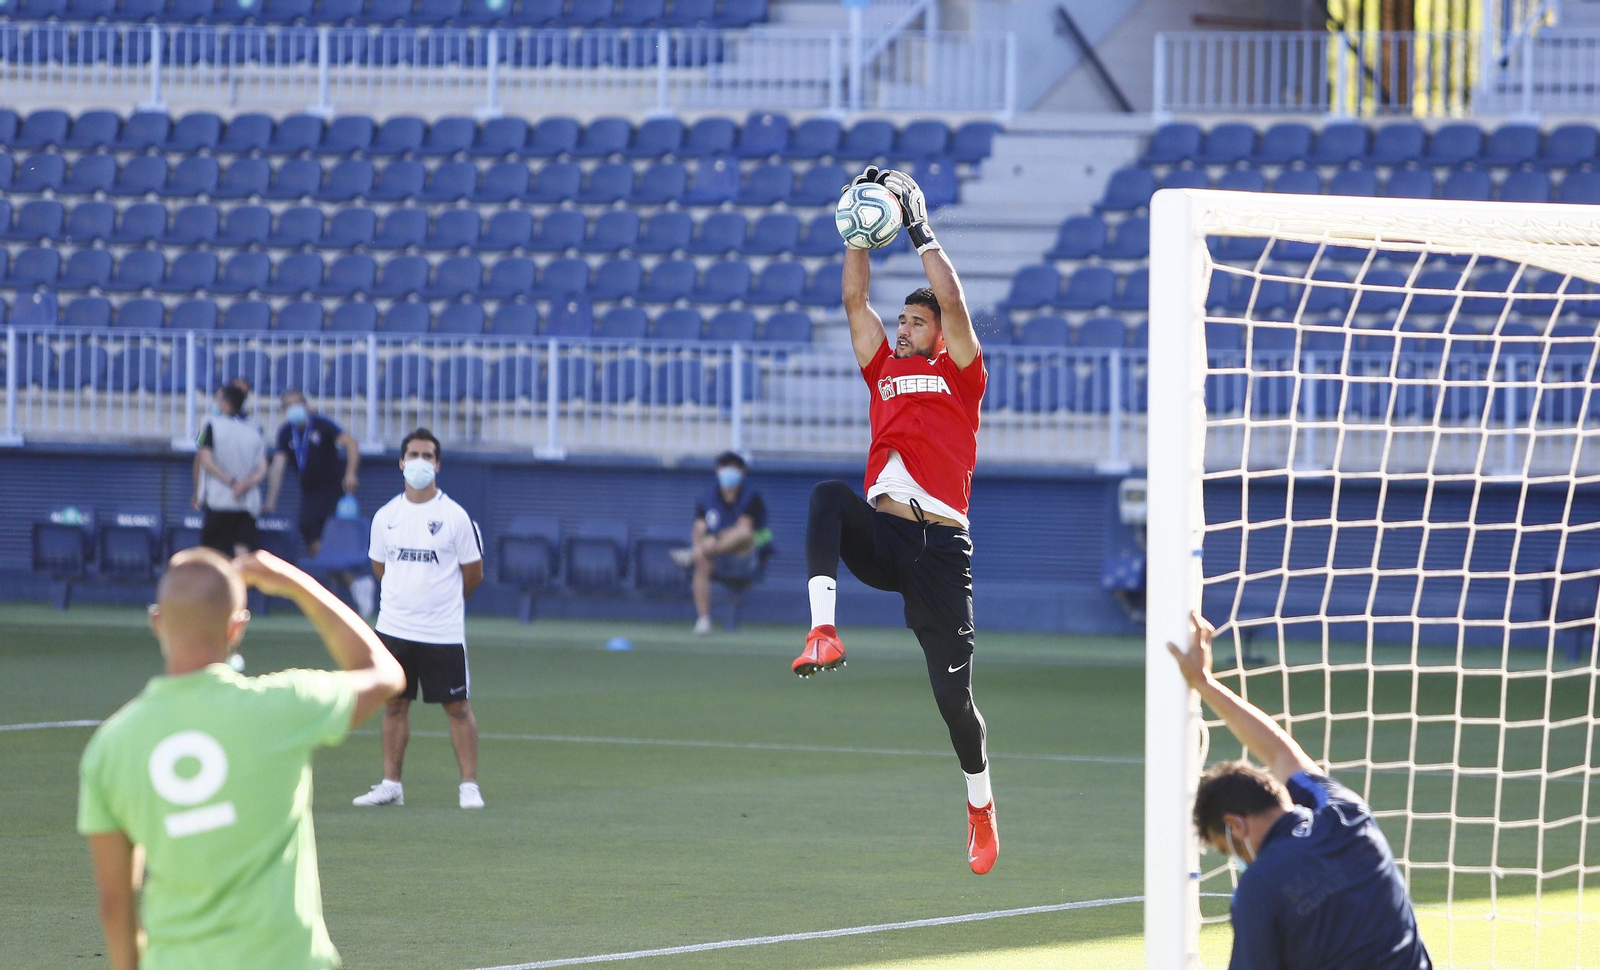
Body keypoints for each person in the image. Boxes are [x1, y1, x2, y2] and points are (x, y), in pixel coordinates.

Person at [796, 166, 998, 875]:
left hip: (940, 551)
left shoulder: (962, 373)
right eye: (903, 319)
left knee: (954, 702)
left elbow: (952, 297)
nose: (904, 326)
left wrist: (915, 224)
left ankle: (979, 806)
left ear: (940, 333)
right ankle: (823, 630)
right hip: (883, 537)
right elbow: (855, 296)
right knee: (826, 497)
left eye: (916, 320)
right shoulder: (881, 367)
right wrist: (857, 230)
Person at [77, 547, 405, 970]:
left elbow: (115, 903)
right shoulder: (282, 705)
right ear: (237, 628)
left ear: (157, 622)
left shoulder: (111, 745)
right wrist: (293, 583)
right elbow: (385, 672)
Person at [1167, 612, 1432, 970]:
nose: (1238, 858)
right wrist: (1204, 683)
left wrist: (1200, 681)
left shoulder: (1260, 886)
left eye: (1225, 846)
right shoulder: (1348, 814)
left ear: (1235, 824)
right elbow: (1279, 752)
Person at [354, 428, 486, 810]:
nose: (420, 462)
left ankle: (468, 787)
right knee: (395, 705)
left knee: (458, 708)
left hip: (442, 631)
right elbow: (380, 567)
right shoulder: (386, 516)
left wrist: (445, 603)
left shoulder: (455, 516)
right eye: (413, 454)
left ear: (438, 465)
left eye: (428, 456)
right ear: (401, 462)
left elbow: (473, 573)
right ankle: (391, 785)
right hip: (394, 628)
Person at [262, 389, 372, 615]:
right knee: (313, 543)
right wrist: (271, 499)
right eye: (289, 405)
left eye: (297, 403)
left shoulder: (321, 424)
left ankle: (358, 588)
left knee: (338, 542)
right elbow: (278, 467)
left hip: (333, 491)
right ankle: (354, 583)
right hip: (309, 494)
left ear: (305, 405)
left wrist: (351, 474)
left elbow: (351, 444)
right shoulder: (285, 433)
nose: (294, 409)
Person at [670, 451, 770, 636]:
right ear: (717, 471)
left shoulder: (751, 496)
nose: (729, 472)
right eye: (725, 467)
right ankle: (703, 620)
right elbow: (698, 528)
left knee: (743, 534)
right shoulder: (706, 498)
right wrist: (699, 543)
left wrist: (713, 539)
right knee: (702, 560)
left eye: (734, 468)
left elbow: (744, 528)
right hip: (714, 557)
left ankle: (695, 553)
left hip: (744, 556)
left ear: (742, 473)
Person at [194, 383, 268, 557]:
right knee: (242, 549)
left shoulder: (209, 425)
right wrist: (246, 484)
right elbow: (263, 467)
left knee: (212, 552)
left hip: (219, 500)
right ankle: (242, 585)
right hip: (246, 502)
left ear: (225, 402)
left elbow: (204, 459)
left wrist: (232, 482)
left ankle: (215, 585)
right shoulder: (254, 429)